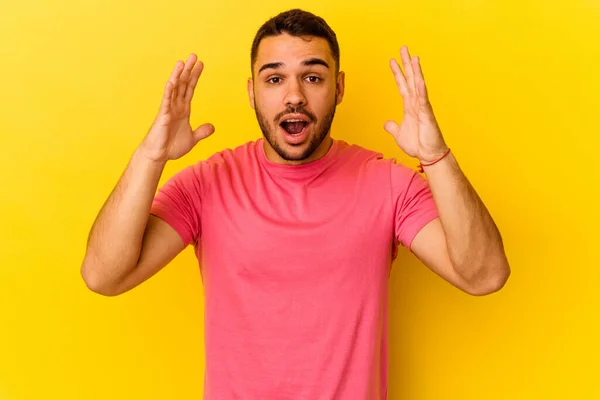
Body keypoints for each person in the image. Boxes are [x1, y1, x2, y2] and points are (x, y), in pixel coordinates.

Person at [81, 8, 510, 399]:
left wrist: (436, 157)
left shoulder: (387, 184)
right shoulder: (209, 183)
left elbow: (485, 275)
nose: (294, 97)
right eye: (274, 78)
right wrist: (151, 156)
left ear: (338, 88)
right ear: (252, 92)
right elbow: (103, 275)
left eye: (312, 76)